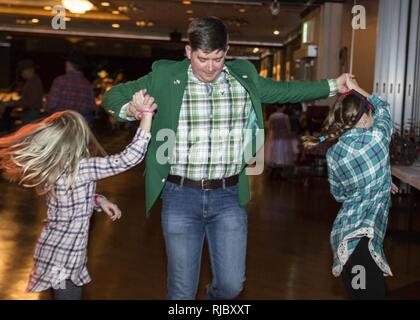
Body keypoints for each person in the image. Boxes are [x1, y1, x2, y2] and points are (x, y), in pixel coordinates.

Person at [102, 16, 350, 300]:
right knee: (182, 291)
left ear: (227, 51)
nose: (210, 67)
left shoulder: (243, 76)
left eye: (217, 59)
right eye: (203, 58)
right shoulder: (163, 76)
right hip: (180, 195)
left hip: (228, 196)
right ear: (188, 52)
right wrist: (132, 110)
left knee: (232, 286)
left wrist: (334, 85)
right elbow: (113, 97)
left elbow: (286, 90)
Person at [0, 90, 156, 300]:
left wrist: (100, 200)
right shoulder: (82, 168)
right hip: (64, 259)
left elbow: (71, 201)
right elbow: (129, 158)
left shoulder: (55, 168)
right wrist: (146, 116)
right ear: (78, 140)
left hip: (56, 252)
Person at [302, 75, 398, 300]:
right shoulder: (377, 137)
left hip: (346, 236)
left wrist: (382, 180)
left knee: (365, 293)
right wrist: (357, 87)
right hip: (360, 243)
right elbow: (383, 106)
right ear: (365, 118)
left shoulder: (333, 153)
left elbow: (339, 194)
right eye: (370, 115)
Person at [45, 53, 96, 124]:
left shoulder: (60, 81)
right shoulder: (87, 84)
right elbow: (91, 107)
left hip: (61, 123)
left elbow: (51, 105)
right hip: (78, 124)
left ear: (69, 64)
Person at [265, 104, 296, 179]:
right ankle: (278, 174)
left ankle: (273, 173)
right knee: (282, 155)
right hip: (283, 137)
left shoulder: (272, 116)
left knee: (274, 155)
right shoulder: (285, 116)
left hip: (274, 137)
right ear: (284, 106)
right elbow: (288, 129)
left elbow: (270, 127)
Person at [10, 59, 44, 124]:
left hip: (31, 114)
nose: (21, 74)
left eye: (22, 71)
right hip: (31, 113)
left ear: (29, 70)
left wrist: (13, 103)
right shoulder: (32, 81)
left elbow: (31, 101)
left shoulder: (33, 82)